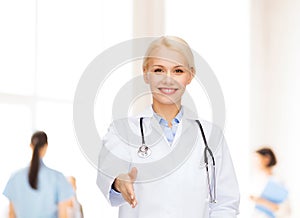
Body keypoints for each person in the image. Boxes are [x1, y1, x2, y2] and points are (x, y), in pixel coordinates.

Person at [97, 36, 240, 217]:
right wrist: (119, 182)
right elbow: (109, 170)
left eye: (178, 71)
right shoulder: (122, 130)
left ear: (190, 75)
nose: (168, 79)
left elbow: (226, 202)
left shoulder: (211, 135)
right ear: (146, 73)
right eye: (159, 70)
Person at [3, 131, 74, 218]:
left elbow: (11, 214)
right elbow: (63, 216)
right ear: (46, 147)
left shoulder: (15, 177)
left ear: (30, 146)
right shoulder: (58, 178)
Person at [250, 147, 291, 218]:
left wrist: (262, 201)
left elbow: (286, 210)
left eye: (257, 159)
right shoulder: (255, 179)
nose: (254, 163)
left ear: (267, 159)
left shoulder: (278, 181)